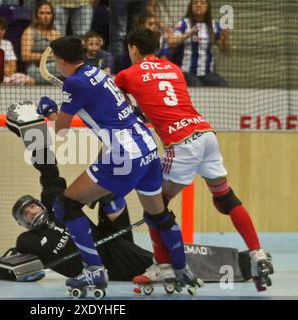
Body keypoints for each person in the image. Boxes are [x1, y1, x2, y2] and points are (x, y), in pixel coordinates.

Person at [35, 36, 201, 297]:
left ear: (62, 61)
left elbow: (61, 130)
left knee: (66, 205)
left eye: (56, 60)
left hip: (124, 155)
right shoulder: (96, 73)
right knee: (158, 215)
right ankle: (180, 268)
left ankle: (94, 270)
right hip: (147, 146)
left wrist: (49, 110)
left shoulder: (74, 83)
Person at [115, 28, 274, 291]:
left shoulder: (127, 74)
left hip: (181, 143)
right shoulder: (174, 68)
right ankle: (257, 252)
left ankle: (164, 265)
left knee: (156, 206)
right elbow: (163, 99)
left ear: (132, 48)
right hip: (205, 133)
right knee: (225, 198)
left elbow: (116, 103)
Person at [0, 147, 155, 282]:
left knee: (109, 195)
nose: (31, 212)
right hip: (102, 266)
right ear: (23, 223)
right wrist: (21, 272)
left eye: (33, 206)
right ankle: (165, 260)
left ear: (40, 205)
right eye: (25, 214)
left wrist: (38, 146)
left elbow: (50, 175)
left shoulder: (59, 209)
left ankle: (164, 259)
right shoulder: (28, 241)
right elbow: (0, 267)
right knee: (148, 263)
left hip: (109, 242)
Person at [166, 0, 229, 87]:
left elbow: (225, 52)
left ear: (208, 7)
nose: (198, 5)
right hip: (186, 72)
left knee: (223, 85)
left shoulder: (214, 25)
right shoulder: (183, 23)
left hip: (207, 73)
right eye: (195, 3)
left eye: (202, 3)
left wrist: (224, 40)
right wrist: (188, 34)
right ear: (191, 6)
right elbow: (171, 43)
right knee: (197, 86)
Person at [0, 16, 34, 85]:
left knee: (30, 81)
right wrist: (5, 65)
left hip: (7, 77)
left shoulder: (7, 44)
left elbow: (12, 70)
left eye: (2, 29)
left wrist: (0, 68)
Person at [21, 0, 61, 84]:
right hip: (35, 69)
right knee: (61, 68)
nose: (45, 16)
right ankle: (57, 82)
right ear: (36, 15)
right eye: (42, 13)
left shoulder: (56, 34)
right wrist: (48, 56)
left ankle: (55, 82)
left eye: (48, 13)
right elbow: (25, 56)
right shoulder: (29, 32)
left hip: (53, 67)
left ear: (52, 16)